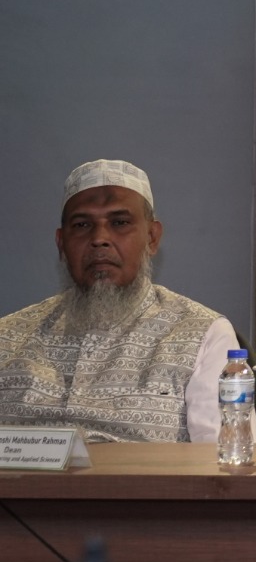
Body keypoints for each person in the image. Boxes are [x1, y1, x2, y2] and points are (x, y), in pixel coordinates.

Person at [0, 160, 238, 443]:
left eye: (120, 223)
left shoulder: (203, 334)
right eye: (82, 225)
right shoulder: (8, 336)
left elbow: (224, 458)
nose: (99, 238)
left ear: (151, 238)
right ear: (61, 244)